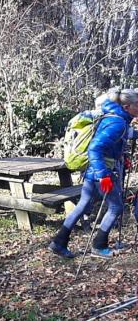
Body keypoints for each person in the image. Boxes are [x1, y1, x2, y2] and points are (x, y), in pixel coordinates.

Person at [48, 88, 138, 259]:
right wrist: (103, 175)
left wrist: (120, 156)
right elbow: (95, 148)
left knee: (82, 206)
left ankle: (58, 243)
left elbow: (119, 138)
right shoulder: (118, 122)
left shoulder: (113, 116)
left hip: (93, 171)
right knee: (116, 207)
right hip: (102, 172)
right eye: (137, 105)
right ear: (126, 107)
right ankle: (99, 246)